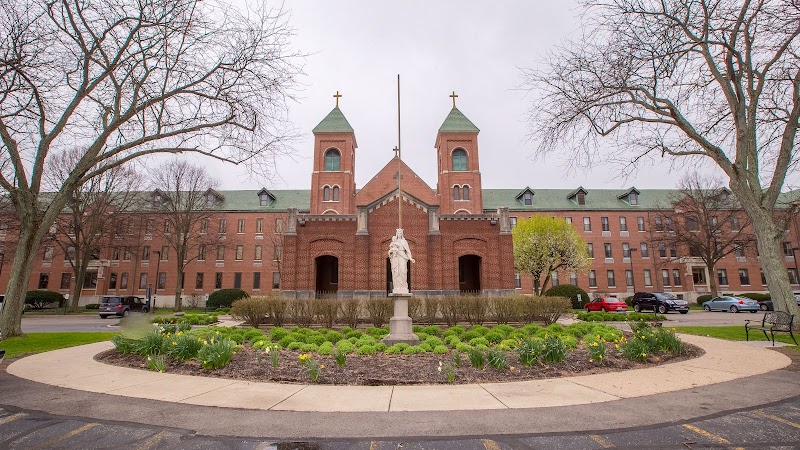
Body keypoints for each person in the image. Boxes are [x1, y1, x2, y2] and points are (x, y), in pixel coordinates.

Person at [388, 228, 415, 294]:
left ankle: (403, 286)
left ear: (402, 234)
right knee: (396, 272)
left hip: (403, 257)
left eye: (400, 233)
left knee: (403, 271)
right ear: (397, 234)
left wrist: (410, 258)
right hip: (396, 257)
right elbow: (390, 252)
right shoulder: (393, 242)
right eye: (398, 233)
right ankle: (397, 286)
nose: (399, 234)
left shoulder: (404, 242)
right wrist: (391, 253)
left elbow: (408, 251)